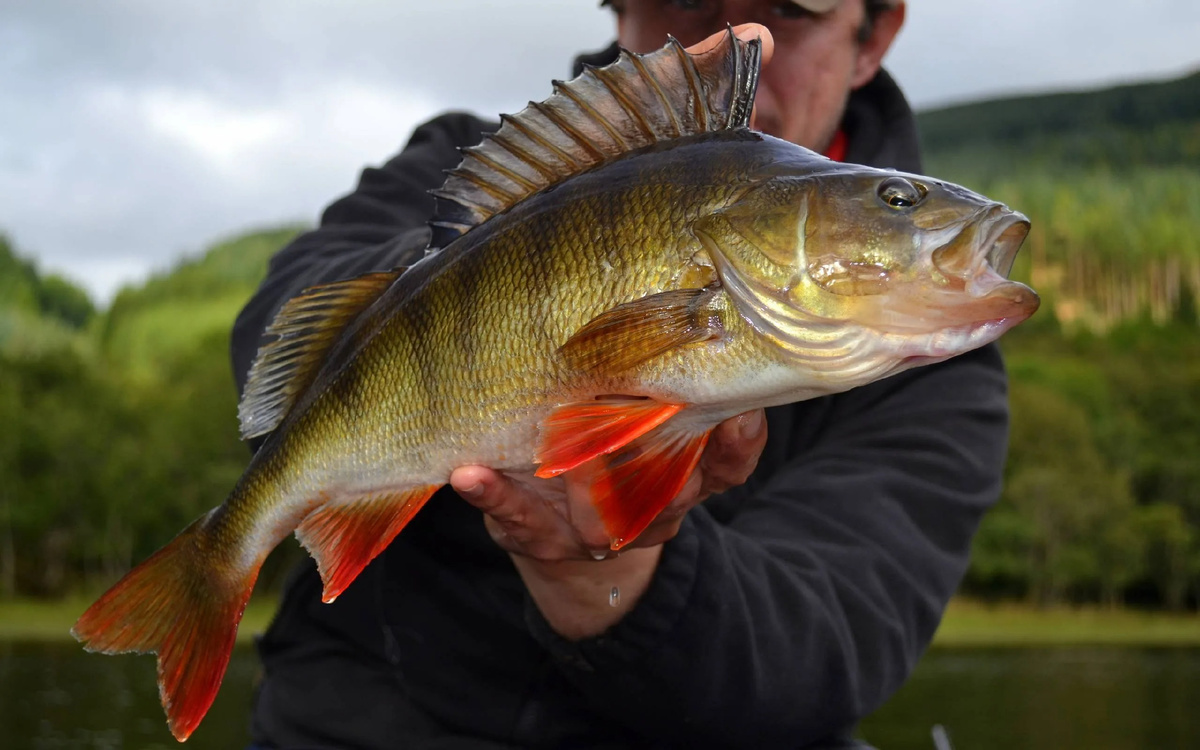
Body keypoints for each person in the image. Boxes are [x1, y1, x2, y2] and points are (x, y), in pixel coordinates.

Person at [231, 2, 1010, 748]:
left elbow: (820, 654)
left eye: (791, 7)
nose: (737, 30)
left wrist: (617, 572)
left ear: (873, 35)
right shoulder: (457, 165)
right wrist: (490, 268)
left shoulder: (936, 375)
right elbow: (274, 326)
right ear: (619, 13)